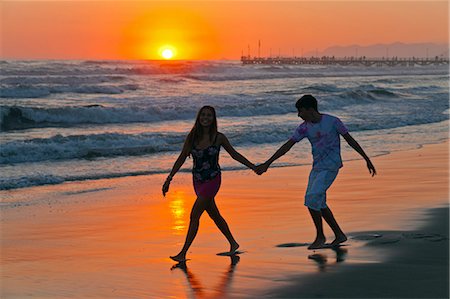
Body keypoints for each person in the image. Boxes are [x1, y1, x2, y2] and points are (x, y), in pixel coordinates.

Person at [256, 95, 376, 250]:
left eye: (300, 111)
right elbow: (288, 146)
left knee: (312, 197)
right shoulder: (304, 127)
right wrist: (267, 163)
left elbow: (350, 140)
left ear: (310, 109)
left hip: (331, 166)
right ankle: (339, 234)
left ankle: (320, 236)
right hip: (317, 168)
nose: (299, 115)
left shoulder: (333, 121)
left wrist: (366, 159)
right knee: (318, 201)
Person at [163, 105, 256, 262]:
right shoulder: (192, 137)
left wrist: (254, 167)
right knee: (214, 215)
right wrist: (169, 178)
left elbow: (234, 155)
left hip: (213, 179)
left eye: (209, 116)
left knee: (194, 216)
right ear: (199, 118)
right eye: (203, 115)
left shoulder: (218, 137)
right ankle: (233, 243)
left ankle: (183, 253)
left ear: (214, 119)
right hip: (197, 181)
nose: (205, 118)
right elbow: (181, 158)